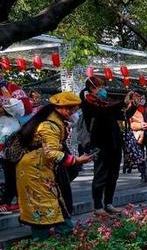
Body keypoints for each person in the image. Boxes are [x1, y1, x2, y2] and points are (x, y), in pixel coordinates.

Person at [16, 92, 94, 239]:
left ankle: (57, 240)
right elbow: (51, 153)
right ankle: (43, 246)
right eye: (73, 110)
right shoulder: (49, 125)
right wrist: (76, 160)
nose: (74, 113)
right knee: (42, 206)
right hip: (34, 171)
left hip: (41, 169)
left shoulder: (53, 120)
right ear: (63, 108)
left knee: (53, 203)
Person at [80, 76, 132, 216]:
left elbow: (120, 116)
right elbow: (102, 114)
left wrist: (133, 105)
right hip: (100, 143)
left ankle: (108, 203)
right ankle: (98, 206)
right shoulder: (88, 103)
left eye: (104, 87)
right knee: (100, 175)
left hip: (114, 142)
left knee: (113, 175)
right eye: (100, 87)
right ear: (91, 88)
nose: (103, 90)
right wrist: (122, 103)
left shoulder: (105, 103)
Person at [0, 99, 22, 214]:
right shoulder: (13, 121)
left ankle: (6, 203)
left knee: (11, 178)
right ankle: (17, 201)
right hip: (10, 155)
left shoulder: (8, 121)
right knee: (13, 178)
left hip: (9, 155)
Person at [129, 91, 147, 159]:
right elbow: (129, 124)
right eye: (140, 98)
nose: (142, 100)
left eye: (143, 98)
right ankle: (142, 168)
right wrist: (140, 126)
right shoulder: (132, 109)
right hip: (139, 136)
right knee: (140, 157)